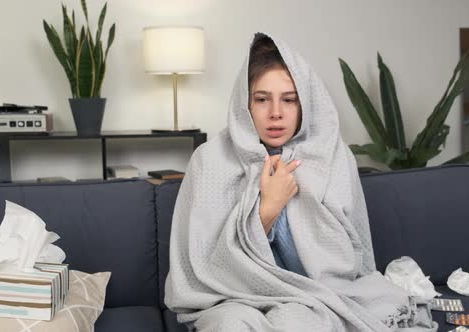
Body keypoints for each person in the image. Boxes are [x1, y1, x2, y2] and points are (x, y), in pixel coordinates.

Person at [165, 32, 438, 331]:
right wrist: (267, 209)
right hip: (233, 297)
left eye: (289, 100)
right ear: (244, 104)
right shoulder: (210, 160)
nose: (276, 114)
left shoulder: (332, 157)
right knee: (229, 326)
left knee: (298, 322)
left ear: (305, 102)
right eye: (261, 99)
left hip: (316, 293)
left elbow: (350, 258)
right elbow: (203, 267)